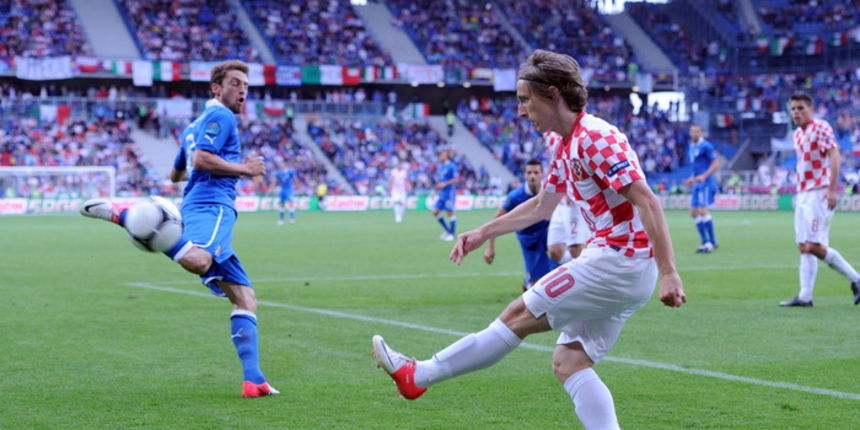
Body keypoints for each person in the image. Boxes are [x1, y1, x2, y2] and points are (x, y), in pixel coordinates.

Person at [372, 49, 686, 429]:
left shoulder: (595, 138)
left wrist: (670, 271)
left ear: (552, 94)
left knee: (516, 316)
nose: (521, 111)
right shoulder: (568, 144)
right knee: (569, 363)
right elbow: (541, 205)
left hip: (617, 262)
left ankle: (417, 375)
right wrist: (483, 232)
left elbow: (646, 199)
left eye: (525, 100)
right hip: (623, 267)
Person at [79, 60, 278, 398]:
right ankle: (131, 217)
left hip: (201, 202)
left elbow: (177, 174)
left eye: (245, 84)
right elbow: (201, 160)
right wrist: (244, 168)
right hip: (212, 205)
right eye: (234, 82)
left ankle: (253, 380)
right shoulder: (221, 117)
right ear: (216, 88)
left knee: (245, 297)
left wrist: (213, 170)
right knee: (199, 260)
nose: (242, 89)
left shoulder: (195, 125)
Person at [779, 91, 860, 307]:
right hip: (803, 193)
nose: (796, 112)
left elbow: (834, 155)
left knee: (814, 245)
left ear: (810, 109)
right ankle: (805, 296)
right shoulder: (797, 134)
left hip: (820, 192)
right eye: (793, 109)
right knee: (803, 246)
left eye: (800, 108)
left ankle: (856, 279)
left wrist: (832, 190)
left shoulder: (821, 127)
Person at [483, 158, 557, 290]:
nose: (532, 176)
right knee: (535, 286)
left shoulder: (550, 190)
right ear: (524, 175)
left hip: (548, 232)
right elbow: (496, 219)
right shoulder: (515, 197)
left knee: (562, 261)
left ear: (542, 174)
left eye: (535, 172)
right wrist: (490, 248)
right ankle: (529, 279)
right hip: (529, 239)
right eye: (529, 173)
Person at [685, 124, 720, 253]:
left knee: (702, 210)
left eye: (697, 132)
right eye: (693, 131)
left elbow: (716, 163)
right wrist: (691, 178)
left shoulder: (706, 146)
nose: (695, 134)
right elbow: (697, 167)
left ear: (701, 133)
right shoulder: (691, 146)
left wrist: (704, 176)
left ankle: (709, 242)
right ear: (690, 133)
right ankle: (709, 241)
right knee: (693, 213)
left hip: (706, 182)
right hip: (697, 183)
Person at [432, 147, 461, 241]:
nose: (440, 156)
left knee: (450, 213)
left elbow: (457, 179)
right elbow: (440, 182)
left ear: (447, 155)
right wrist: (435, 191)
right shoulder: (440, 167)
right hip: (442, 193)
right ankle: (448, 230)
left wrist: (445, 184)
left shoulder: (452, 166)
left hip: (449, 193)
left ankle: (452, 234)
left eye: (442, 154)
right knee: (435, 212)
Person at [275, 160, 298, 225]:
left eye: (281, 164)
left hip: (289, 189)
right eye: (279, 165)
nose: (280, 166)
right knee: (282, 204)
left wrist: (297, 186)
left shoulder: (290, 171)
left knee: (291, 203)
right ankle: (281, 220)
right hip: (282, 190)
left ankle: (292, 218)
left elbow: (295, 179)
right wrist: (271, 188)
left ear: (284, 165)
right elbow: (276, 181)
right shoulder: (278, 173)